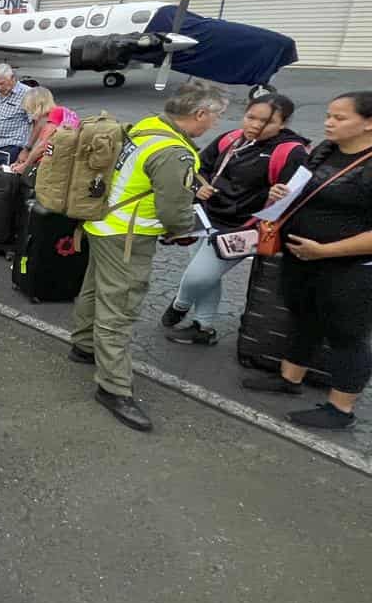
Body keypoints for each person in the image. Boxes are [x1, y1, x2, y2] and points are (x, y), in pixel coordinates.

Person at [69, 81, 228, 432]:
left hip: (101, 222)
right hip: (128, 236)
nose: (214, 124)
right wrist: (181, 230)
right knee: (120, 308)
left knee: (95, 289)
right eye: (216, 117)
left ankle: (82, 346)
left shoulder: (147, 127)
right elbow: (174, 211)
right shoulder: (175, 152)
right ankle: (113, 388)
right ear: (200, 113)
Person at [242, 92, 372, 430]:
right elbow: (303, 190)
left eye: (340, 118)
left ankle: (340, 409)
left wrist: (326, 251)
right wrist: (278, 195)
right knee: (304, 317)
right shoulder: (325, 151)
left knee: (348, 335)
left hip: (349, 266)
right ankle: (290, 377)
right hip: (303, 257)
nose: (329, 122)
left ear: (369, 123)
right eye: (329, 115)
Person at [160, 93, 308, 345]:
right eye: (250, 117)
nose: (254, 125)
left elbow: (295, 196)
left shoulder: (290, 152)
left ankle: (180, 304)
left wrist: (278, 194)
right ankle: (203, 327)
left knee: (199, 276)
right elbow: (198, 167)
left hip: (245, 228)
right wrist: (199, 186)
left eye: (265, 122)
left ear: (282, 124)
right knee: (208, 275)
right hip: (207, 218)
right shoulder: (231, 139)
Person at [11, 87, 79, 176]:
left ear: (37, 105)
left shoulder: (55, 114)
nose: (31, 113)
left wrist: (25, 166)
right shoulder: (62, 111)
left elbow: (43, 146)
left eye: (30, 108)